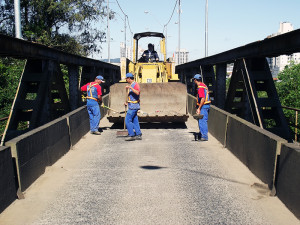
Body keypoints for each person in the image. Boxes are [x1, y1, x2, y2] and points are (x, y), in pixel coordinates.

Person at [124, 73, 142, 141]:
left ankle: (131, 135)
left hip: (133, 107)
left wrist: (130, 88)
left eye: (126, 78)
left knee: (127, 120)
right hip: (132, 105)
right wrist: (127, 102)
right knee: (135, 120)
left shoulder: (135, 84)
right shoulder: (131, 85)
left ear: (129, 78)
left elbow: (137, 93)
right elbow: (131, 97)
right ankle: (138, 134)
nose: (126, 80)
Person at [193, 74, 211, 141]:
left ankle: (204, 136)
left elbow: (203, 98)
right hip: (207, 105)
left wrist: (199, 108)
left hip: (203, 106)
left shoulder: (200, 87)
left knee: (202, 121)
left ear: (195, 80)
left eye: (194, 80)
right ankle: (202, 134)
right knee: (203, 120)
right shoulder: (204, 85)